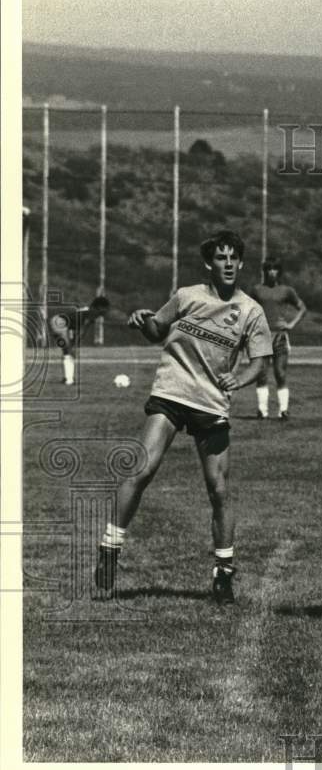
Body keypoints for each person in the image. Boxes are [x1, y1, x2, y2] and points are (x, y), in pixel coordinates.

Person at [93, 230, 272, 605]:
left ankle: (223, 574)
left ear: (241, 263)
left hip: (211, 404)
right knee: (141, 470)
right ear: (209, 263)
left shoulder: (251, 311)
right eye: (220, 257)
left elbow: (260, 362)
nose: (227, 263)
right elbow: (156, 331)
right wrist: (143, 319)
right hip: (171, 393)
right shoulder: (187, 296)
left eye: (233, 258)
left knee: (218, 490)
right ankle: (110, 550)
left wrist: (239, 379)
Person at [248, 257, 307, 420]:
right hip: (261, 336)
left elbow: (302, 308)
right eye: (269, 269)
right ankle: (262, 410)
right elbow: (246, 308)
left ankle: (283, 410)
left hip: (280, 337)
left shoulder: (286, 291)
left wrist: (291, 324)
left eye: (275, 269)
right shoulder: (257, 290)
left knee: (280, 373)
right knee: (261, 374)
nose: (272, 272)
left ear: (279, 272)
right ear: (265, 271)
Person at [48, 295, 110, 385]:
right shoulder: (91, 313)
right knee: (69, 350)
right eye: (105, 309)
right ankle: (69, 380)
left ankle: (67, 377)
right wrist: (75, 345)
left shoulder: (89, 312)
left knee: (67, 351)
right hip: (60, 322)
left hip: (58, 322)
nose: (106, 311)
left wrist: (74, 344)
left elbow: (79, 330)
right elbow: (82, 330)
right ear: (99, 307)